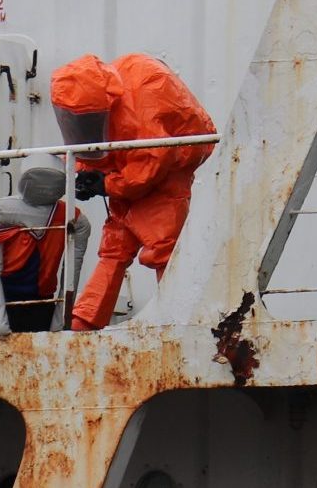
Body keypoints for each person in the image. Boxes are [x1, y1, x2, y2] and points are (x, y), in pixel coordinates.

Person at [51, 53, 215, 330]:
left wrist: (104, 184)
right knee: (116, 245)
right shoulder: (101, 106)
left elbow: (150, 165)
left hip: (172, 162)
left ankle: (181, 320)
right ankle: (84, 321)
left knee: (163, 241)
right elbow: (90, 142)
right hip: (137, 164)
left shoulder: (141, 108)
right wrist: (84, 172)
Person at [0, 165, 90, 334]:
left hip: (16, 306)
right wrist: (59, 322)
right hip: (40, 309)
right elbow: (73, 270)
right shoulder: (74, 218)